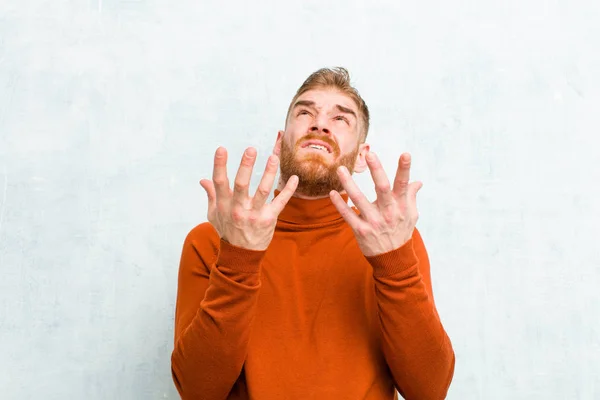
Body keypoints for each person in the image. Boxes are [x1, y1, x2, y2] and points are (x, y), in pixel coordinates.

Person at [171, 67, 455, 400]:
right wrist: (238, 258)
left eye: (341, 119)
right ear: (280, 142)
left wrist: (394, 262)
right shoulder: (212, 240)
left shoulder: (393, 240)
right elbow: (197, 390)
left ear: (362, 156)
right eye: (305, 112)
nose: (319, 124)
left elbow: (429, 390)